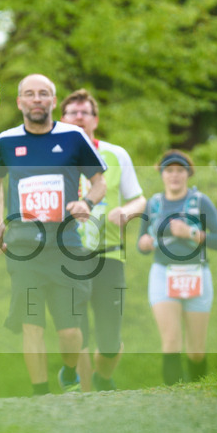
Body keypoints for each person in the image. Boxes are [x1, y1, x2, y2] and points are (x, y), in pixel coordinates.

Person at [0, 74, 107, 396]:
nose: (37, 99)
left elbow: (99, 182)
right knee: (32, 323)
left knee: (69, 331)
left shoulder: (74, 137)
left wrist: (87, 202)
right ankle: (39, 395)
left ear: (54, 101)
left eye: (43, 94)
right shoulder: (7, 141)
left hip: (67, 246)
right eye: (30, 94)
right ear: (20, 102)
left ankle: (68, 370)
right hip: (24, 245)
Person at [59, 89, 146, 392]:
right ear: (62, 119)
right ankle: (86, 395)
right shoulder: (53, 154)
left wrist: (126, 211)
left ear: (95, 120)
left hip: (109, 255)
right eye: (72, 113)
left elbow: (140, 200)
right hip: (69, 253)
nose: (79, 117)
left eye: (85, 112)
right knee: (76, 329)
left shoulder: (116, 154)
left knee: (110, 340)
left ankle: (103, 377)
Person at [137, 150, 217, 385]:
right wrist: (145, 244)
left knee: (196, 349)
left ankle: (200, 394)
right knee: (171, 341)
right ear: (162, 174)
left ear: (188, 174)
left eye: (180, 170)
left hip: (196, 273)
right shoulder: (153, 204)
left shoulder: (201, 202)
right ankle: (172, 399)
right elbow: (141, 243)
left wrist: (191, 233)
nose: (174, 175)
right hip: (162, 274)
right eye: (169, 170)